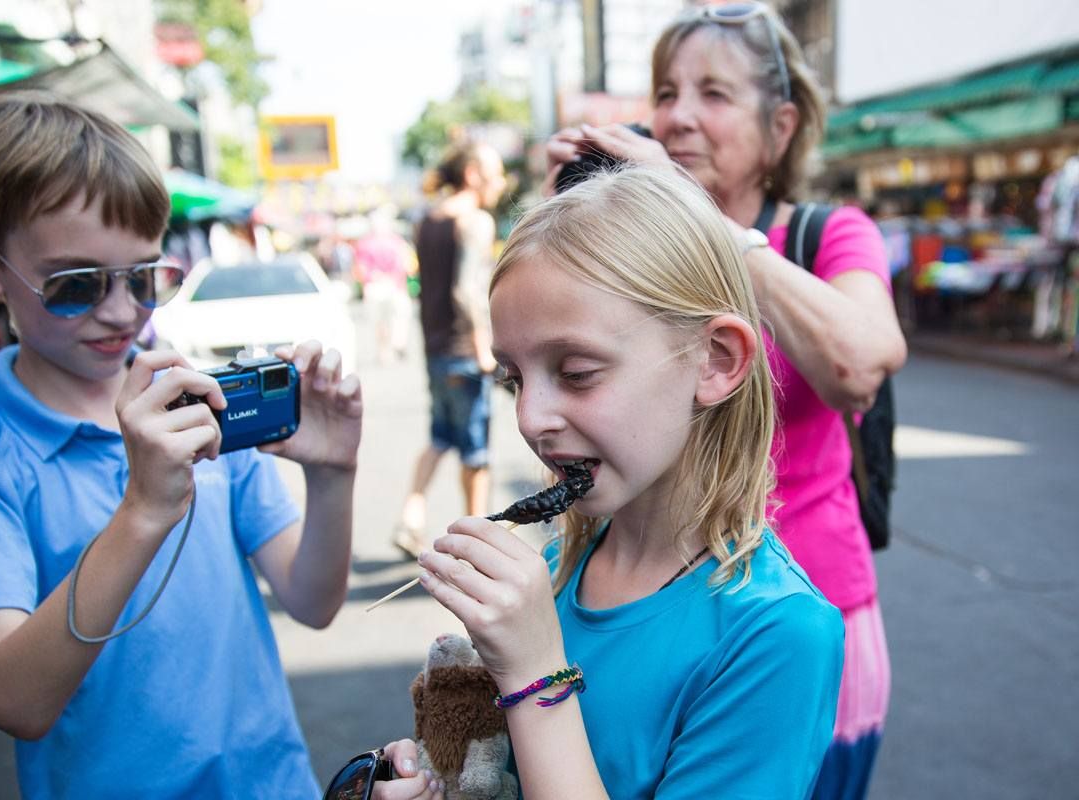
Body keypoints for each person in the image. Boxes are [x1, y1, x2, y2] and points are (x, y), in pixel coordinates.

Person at [0, 91, 363, 799]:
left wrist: (333, 476)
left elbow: (312, 598)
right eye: (75, 285)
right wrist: (143, 508)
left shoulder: (194, 393)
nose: (121, 312)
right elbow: (16, 702)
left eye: (145, 278)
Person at [370, 166, 844, 800]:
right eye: (514, 379)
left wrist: (536, 674)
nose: (530, 419)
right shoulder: (555, 570)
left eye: (577, 372)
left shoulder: (777, 637)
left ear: (716, 361)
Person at [539, 5, 908, 797]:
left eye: (713, 93)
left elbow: (861, 364)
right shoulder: (639, 242)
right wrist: (568, 219)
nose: (677, 117)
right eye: (666, 91)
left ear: (780, 126)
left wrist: (711, 224)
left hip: (800, 615)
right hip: (646, 602)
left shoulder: (830, 232)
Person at [391, 142, 507, 558]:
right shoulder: (475, 222)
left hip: (436, 351)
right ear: (473, 174)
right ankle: (476, 544)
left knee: (440, 436)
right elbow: (466, 291)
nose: (501, 182)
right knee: (476, 454)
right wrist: (484, 351)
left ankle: (411, 516)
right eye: (495, 173)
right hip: (463, 351)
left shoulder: (427, 220)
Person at [353, 206, 417, 364]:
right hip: (395, 285)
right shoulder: (397, 241)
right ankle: (397, 343)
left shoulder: (364, 244)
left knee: (379, 322)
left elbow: (360, 269)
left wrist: (372, 278)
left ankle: (384, 352)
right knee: (399, 316)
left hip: (374, 286)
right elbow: (407, 265)